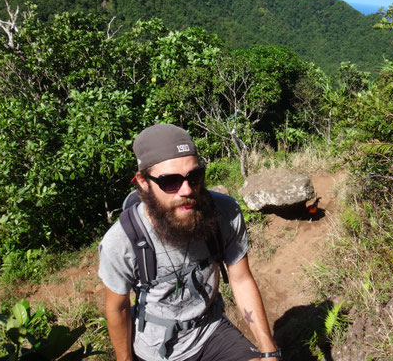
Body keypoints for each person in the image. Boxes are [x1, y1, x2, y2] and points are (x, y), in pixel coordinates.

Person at [98, 124, 280, 361]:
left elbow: (241, 279)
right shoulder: (122, 241)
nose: (186, 190)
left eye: (194, 177)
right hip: (156, 351)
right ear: (143, 182)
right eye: (170, 181)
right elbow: (118, 308)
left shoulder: (224, 213)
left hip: (211, 331)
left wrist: (269, 351)